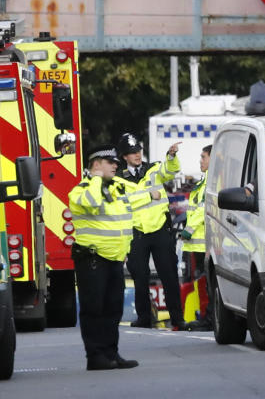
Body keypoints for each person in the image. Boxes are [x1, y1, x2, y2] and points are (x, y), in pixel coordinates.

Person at [69, 143, 160, 371]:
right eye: (110, 162)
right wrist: (96, 178)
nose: (115, 166)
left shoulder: (117, 187)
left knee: (113, 309)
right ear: (96, 164)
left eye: (116, 163)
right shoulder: (81, 190)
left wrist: (150, 194)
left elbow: (134, 196)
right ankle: (95, 356)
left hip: (115, 258)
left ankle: (111, 353)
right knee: (94, 309)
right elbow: (92, 202)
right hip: (92, 259)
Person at [114, 132, 186, 330]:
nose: (137, 154)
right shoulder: (118, 179)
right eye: (132, 152)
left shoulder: (153, 168)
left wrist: (171, 156)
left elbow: (171, 170)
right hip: (136, 233)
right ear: (124, 156)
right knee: (140, 276)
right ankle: (144, 318)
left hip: (160, 229)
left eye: (138, 150)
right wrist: (148, 196)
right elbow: (122, 202)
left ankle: (177, 318)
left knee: (169, 275)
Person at [180, 144, 212, 330]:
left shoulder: (210, 182)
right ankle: (206, 317)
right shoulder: (204, 181)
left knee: (206, 283)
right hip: (198, 243)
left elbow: (202, 208)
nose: (200, 161)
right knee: (202, 282)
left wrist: (188, 230)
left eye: (203, 157)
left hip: (203, 242)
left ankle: (208, 320)